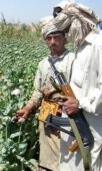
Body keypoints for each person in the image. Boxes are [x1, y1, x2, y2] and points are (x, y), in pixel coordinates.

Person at [48, 0, 102, 171]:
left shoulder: (99, 45)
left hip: (92, 130)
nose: (66, 34)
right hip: (78, 126)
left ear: (77, 22)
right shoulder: (84, 46)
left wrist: (81, 104)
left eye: (66, 29)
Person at [15, 16, 75, 171]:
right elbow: (38, 91)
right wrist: (28, 108)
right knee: (46, 157)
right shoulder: (43, 63)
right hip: (46, 115)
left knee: (65, 158)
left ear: (65, 39)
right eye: (49, 38)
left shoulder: (73, 60)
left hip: (66, 116)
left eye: (56, 37)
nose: (53, 42)